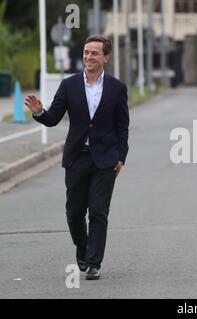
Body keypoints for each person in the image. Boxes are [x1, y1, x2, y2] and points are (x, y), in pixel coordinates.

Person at [25, 35, 129, 280]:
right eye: (86, 52)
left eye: (94, 53)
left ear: (105, 57)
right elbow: (53, 119)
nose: (89, 57)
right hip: (77, 159)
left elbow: (122, 126)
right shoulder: (69, 85)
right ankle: (82, 248)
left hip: (105, 160)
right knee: (74, 212)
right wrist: (40, 111)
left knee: (98, 212)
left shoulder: (116, 88)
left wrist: (121, 156)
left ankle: (94, 263)